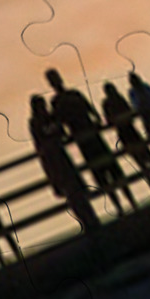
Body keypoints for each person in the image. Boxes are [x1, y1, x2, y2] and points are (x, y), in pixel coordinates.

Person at [45, 69, 135, 215]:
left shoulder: (71, 95)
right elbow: (59, 122)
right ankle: (119, 206)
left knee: (112, 170)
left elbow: (89, 109)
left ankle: (130, 202)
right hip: (84, 140)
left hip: (91, 135)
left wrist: (96, 120)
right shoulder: (58, 102)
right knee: (102, 175)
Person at [29, 95, 100, 233]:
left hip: (62, 159)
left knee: (77, 190)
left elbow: (61, 132)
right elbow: (45, 138)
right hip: (54, 162)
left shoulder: (49, 119)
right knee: (71, 194)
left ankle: (91, 219)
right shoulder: (37, 122)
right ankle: (87, 221)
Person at [101, 82, 150, 198]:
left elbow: (119, 116)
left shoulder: (115, 101)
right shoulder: (110, 103)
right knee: (146, 164)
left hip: (131, 134)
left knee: (149, 162)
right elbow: (113, 119)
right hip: (128, 135)